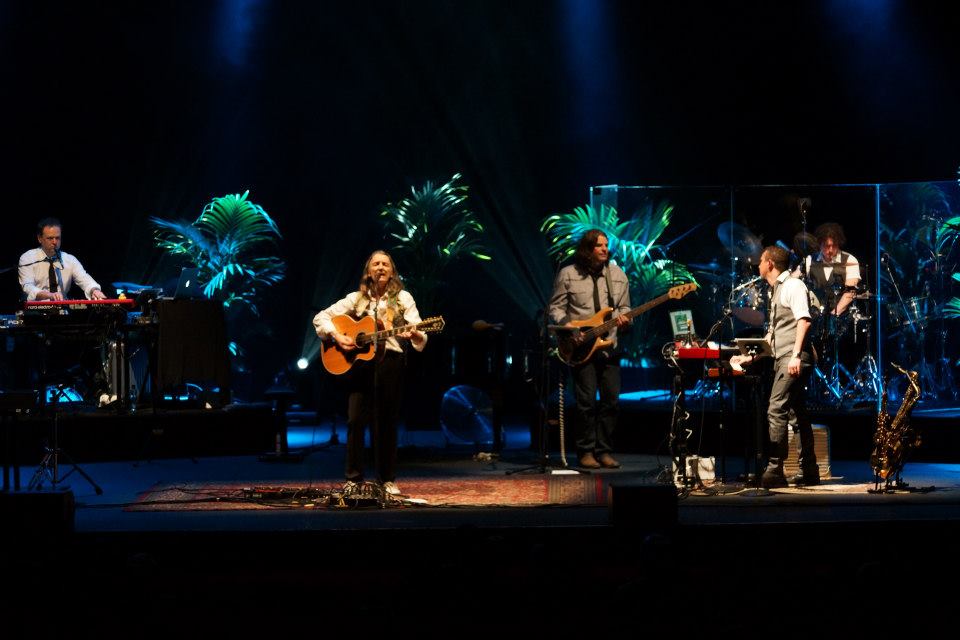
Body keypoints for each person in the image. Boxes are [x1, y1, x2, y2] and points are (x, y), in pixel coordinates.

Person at [312, 250, 427, 496]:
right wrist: (338, 335)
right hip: (362, 366)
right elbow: (321, 317)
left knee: (386, 422)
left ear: (392, 271)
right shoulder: (356, 299)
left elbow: (420, 332)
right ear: (369, 271)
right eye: (376, 264)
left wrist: (415, 333)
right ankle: (353, 479)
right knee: (355, 420)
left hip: (390, 363)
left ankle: (386, 479)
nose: (381, 267)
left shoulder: (403, 298)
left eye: (385, 264)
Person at [731, 245, 819, 487]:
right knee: (796, 412)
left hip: (793, 357)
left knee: (775, 407)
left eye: (761, 260)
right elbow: (775, 334)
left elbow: (804, 320)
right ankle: (809, 469)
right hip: (785, 356)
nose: (757, 265)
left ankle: (775, 469)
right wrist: (751, 357)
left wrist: (795, 355)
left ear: (769, 263)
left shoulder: (792, 285)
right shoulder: (776, 290)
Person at [548, 229, 631, 469]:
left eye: (606, 245)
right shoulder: (568, 274)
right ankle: (585, 451)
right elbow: (556, 308)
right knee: (586, 403)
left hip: (610, 347)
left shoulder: (617, 275)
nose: (605, 249)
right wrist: (570, 329)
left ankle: (603, 450)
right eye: (599, 245)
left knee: (611, 401)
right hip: (582, 347)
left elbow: (625, 307)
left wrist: (626, 319)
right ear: (587, 249)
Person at [18, 217, 108, 301]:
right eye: (50, 238)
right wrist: (49, 295)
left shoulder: (69, 259)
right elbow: (28, 286)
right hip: (34, 311)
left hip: (63, 309)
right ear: (39, 238)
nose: (54, 242)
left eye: (57, 238)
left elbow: (84, 279)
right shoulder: (28, 258)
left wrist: (95, 290)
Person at [802, 222, 860, 317]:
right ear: (820, 244)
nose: (831, 249)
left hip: (840, 318)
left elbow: (850, 293)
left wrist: (833, 316)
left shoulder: (850, 260)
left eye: (834, 245)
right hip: (816, 317)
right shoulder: (809, 260)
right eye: (826, 246)